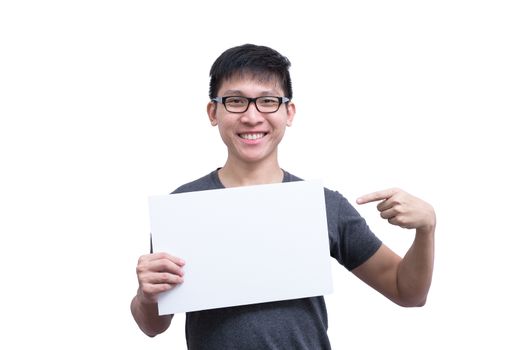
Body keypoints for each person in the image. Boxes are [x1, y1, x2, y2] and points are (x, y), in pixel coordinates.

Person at [130, 44, 436, 349]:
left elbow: (407, 291)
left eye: (267, 101)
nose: (252, 117)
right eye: (236, 101)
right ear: (213, 112)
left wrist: (426, 229)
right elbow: (153, 325)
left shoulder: (321, 205)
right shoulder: (183, 208)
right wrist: (146, 296)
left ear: (288, 112)